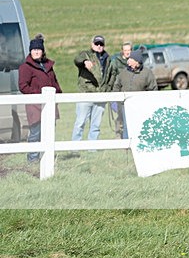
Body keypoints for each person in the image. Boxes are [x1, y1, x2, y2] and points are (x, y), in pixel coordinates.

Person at [18, 34, 62, 163]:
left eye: (38, 49)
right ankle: (33, 159)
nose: (36, 52)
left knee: (49, 133)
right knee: (36, 133)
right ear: (30, 51)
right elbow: (23, 86)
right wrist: (39, 94)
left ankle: (47, 158)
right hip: (35, 106)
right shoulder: (25, 67)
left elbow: (55, 82)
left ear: (42, 51)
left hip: (50, 105)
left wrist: (58, 93)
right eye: (34, 50)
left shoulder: (48, 66)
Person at [72, 35, 116, 142]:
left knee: (96, 125)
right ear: (92, 44)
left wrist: (108, 89)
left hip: (101, 95)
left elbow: (113, 74)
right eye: (97, 43)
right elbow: (77, 59)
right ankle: (75, 147)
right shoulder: (86, 54)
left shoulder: (108, 59)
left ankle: (92, 148)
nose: (99, 46)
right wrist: (85, 61)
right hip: (86, 94)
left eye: (101, 44)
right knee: (80, 122)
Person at [112, 46, 157, 139]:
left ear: (138, 62)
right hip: (124, 106)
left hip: (140, 106)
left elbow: (153, 89)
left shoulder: (147, 73)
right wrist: (115, 102)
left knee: (140, 126)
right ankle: (126, 146)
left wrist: (148, 104)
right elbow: (116, 86)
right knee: (125, 126)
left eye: (131, 60)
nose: (128, 62)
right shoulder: (123, 73)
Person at [109, 41, 134, 138]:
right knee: (120, 118)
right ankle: (119, 138)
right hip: (119, 94)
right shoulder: (116, 62)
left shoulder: (134, 62)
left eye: (129, 50)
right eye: (125, 50)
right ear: (122, 51)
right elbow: (111, 78)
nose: (127, 52)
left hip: (131, 94)